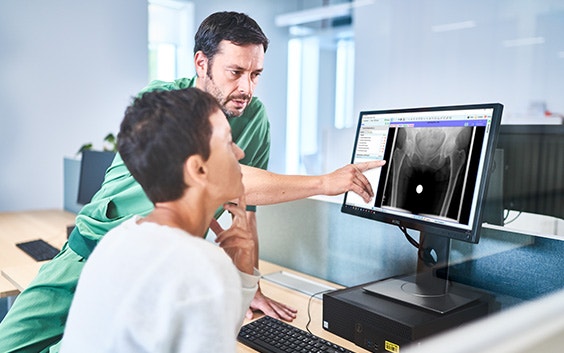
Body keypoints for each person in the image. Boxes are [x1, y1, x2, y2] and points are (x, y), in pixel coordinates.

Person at [0, 11, 385, 353]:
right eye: (236, 72)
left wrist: (249, 285)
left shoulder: (254, 119)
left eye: (256, 75)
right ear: (202, 63)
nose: (247, 89)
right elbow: (237, 181)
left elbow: (243, 208)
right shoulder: (164, 104)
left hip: (155, 271)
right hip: (88, 252)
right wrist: (324, 182)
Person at [59, 87, 258, 352]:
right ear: (198, 169)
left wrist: (242, 274)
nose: (240, 153)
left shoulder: (118, 238)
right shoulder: (199, 266)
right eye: (228, 142)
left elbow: (205, 332)